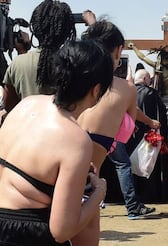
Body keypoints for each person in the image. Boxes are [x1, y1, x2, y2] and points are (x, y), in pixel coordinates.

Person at [0, 40, 111, 245]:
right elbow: (61, 230)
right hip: (26, 235)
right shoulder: (75, 139)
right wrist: (99, 193)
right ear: (96, 90)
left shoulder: (26, 104)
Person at [75, 19, 160, 246]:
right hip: (88, 173)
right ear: (118, 51)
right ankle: (133, 206)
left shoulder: (72, 80)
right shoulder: (125, 89)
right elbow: (126, 130)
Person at [2, 0, 78, 113]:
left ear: (35, 28)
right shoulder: (75, 63)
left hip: (26, 128)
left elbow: (10, 107)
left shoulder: (18, 63)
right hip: (64, 129)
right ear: (67, 31)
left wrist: (22, 52)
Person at [127, 68, 168, 203]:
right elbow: (160, 116)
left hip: (131, 136)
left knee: (133, 165)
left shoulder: (128, 93)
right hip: (149, 136)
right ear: (146, 79)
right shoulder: (151, 93)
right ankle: (151, 195)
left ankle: (134, 195)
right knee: (150, 165)